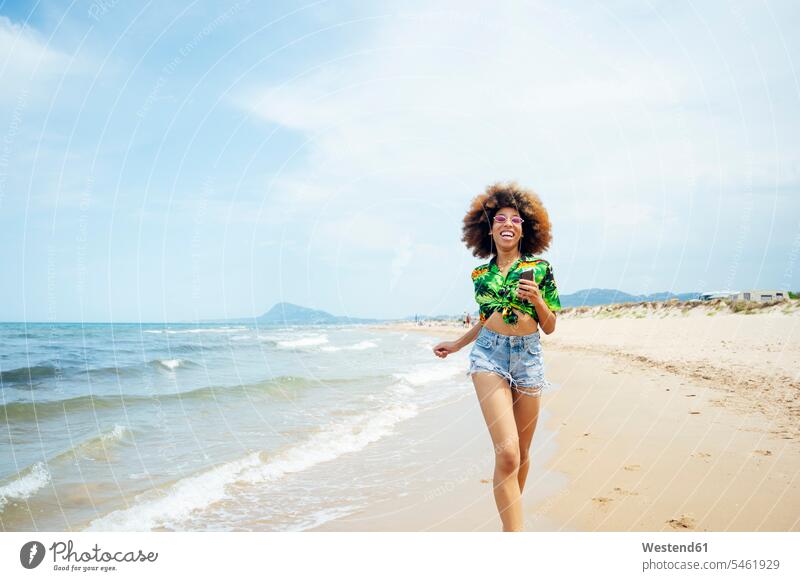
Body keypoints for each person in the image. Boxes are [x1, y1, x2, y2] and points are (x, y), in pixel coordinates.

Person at [432, 181, 561, 532]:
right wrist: (459, 344)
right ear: (489, 229)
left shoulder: (541, 269)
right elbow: (488, 318)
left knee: (522, 455)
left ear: (525, 229)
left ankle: (509, 525)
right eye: (500, 218)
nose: (508, 223)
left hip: (529, 358)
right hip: (489, 356)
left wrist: (536, 299)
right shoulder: (480, 275)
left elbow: (549, 326)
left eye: (516, 219)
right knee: (507, 454)